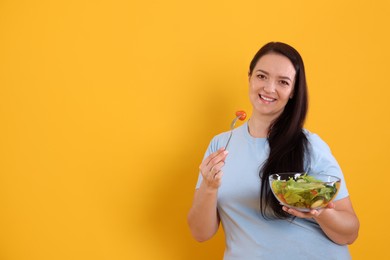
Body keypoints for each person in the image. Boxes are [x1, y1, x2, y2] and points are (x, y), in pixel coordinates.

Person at [187, 42, 359, 259]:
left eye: (283, 82)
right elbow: (200, 233)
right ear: (249, 77)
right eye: (261, 76)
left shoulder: (309, 145)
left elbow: (350, 232)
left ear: (293, 91)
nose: (269, 88)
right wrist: (209, 187)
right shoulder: (221, 145)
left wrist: (319, 211)